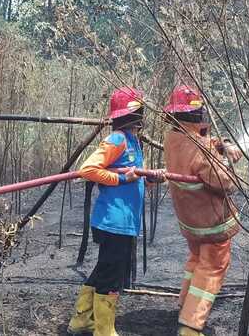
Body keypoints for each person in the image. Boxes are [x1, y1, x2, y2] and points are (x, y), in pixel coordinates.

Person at [67, 87, 162, 336]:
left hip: (122, 222)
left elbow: (133, 176)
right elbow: (87, 170)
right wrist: (122, 180)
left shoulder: (133, 142)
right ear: (136, 115)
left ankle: (80, 321)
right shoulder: (117, 139)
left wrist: (149, 178)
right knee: (111, 277)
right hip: (113, 222)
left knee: (104, 270)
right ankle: (104, 330)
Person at [163, 84, 243, 336]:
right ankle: (191, 325)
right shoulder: (200, 149)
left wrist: (222, 144)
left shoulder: (173, 138)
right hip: (212, 222)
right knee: (212, 268)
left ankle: (184, 305)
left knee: (196, 260)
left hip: (190, 222)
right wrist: (226, 161)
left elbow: (202, 143)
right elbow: (225, 183)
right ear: (196, 113)